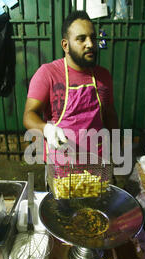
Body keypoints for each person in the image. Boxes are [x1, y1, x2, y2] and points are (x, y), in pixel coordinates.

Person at [23, 10, 119, 161]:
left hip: (97, 162)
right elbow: (29, 115)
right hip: (61, 164)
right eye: (81, 39)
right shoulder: (48, 73)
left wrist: (117, 149)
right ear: (65, 45)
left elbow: (110, 115)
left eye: (92, 38)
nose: (90, 44)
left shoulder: (103, 76)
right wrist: (46, 129)